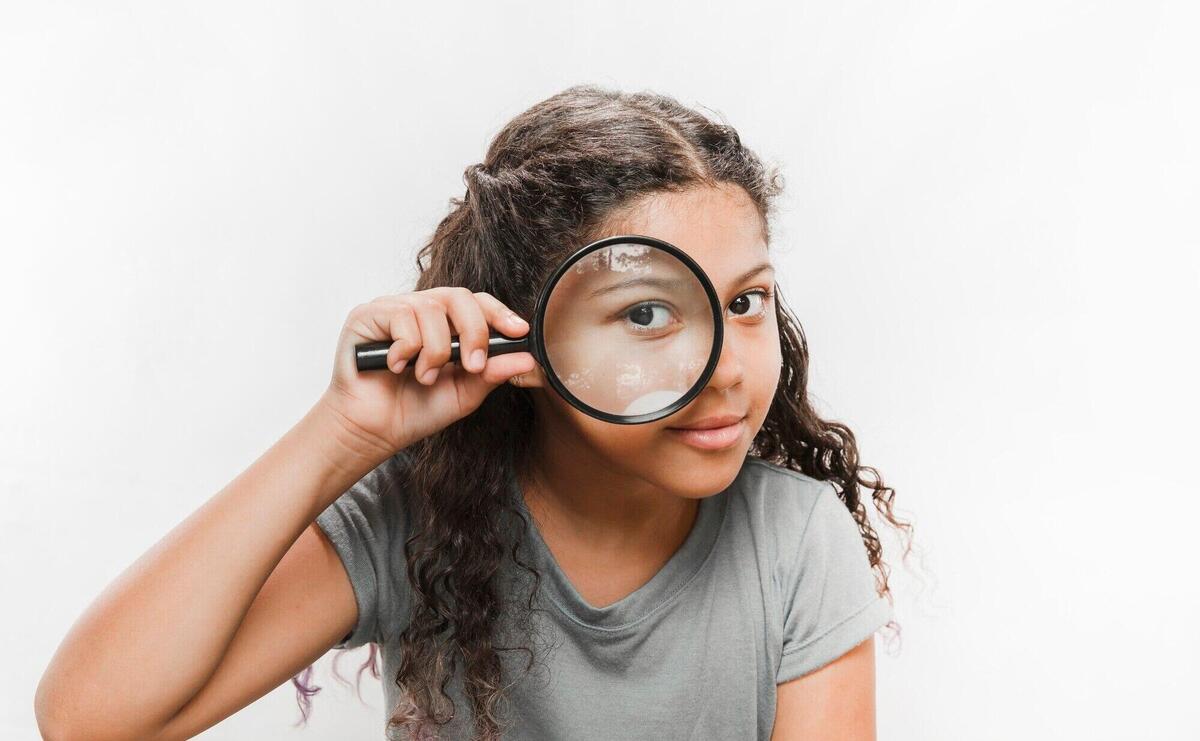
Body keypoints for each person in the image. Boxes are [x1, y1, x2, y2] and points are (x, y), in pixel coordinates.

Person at [35, 84, 913, 741]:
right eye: (647, 312)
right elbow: (88, 717)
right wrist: (341, 434)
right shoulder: (414, 520)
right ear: (525, 340)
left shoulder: (793, 540)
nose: (725, 369)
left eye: (749, 302)